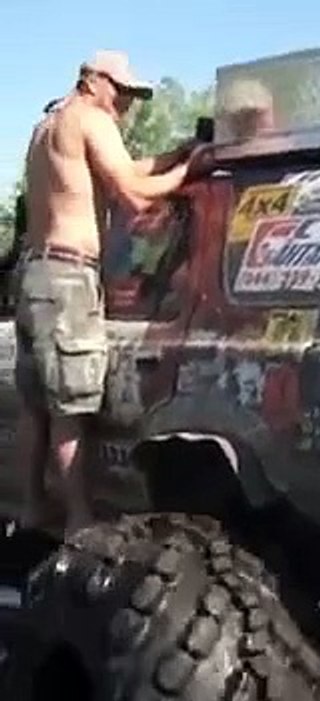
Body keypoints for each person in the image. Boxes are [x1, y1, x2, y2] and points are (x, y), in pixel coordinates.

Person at [17, 50, 206, 535]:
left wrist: (177, 154)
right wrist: (193, 170)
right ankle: (80, 521)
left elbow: (125, 168)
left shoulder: (50, 124)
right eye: (121, 93)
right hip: (68, 278)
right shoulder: (91, 118)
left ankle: (33, 506)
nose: (126, 104)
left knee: (37, 404)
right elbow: (134, 195)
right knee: (71, 406)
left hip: (37, 274)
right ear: (93, 81)